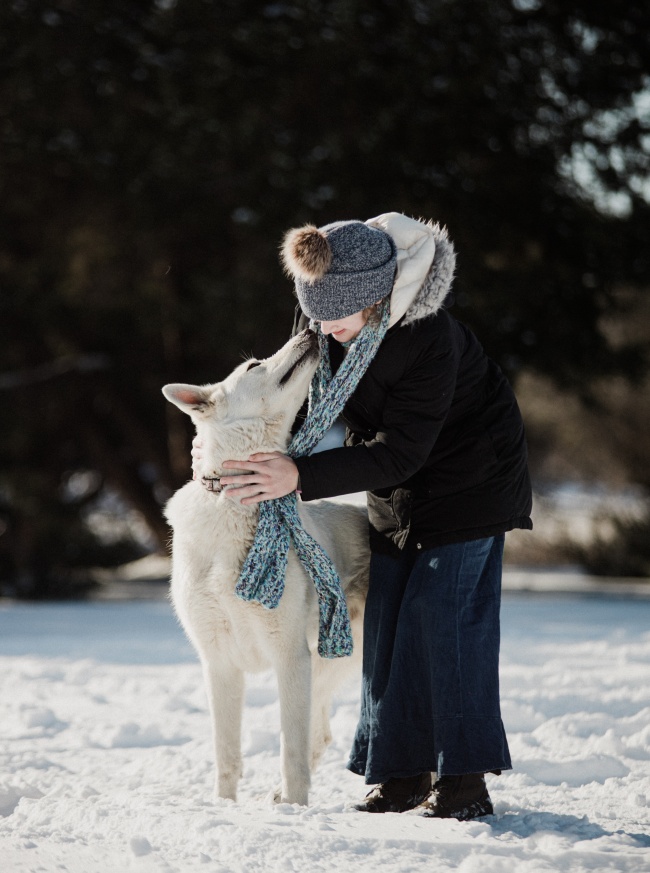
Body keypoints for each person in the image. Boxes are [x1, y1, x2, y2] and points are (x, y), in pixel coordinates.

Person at [193, 212, 533, 819]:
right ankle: (399, 775)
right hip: (391, 485)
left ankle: (462, 782)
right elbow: (300, 404)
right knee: (387, 625)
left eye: (334, 317)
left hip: (470, 484)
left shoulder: (431, 339)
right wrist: (222, 445)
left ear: (377, 298)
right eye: (314, 314)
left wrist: (298, 477)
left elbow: (403, 450)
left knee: (444, 623)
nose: (320, 329)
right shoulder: (333, 317)